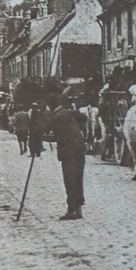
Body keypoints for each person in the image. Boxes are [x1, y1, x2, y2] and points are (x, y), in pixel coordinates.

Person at [46, 92, 86, 220]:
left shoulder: (56, 116)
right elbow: (83, 117)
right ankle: (78, 208)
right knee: (78, 179)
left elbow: (49, 132)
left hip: (69, 152)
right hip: (80, 148)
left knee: (69, 180)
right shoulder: (67, 112)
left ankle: (72, 209)